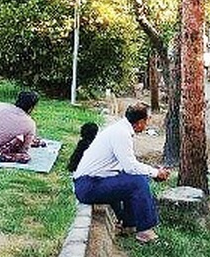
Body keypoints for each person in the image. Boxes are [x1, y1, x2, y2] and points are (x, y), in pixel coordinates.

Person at [72, 102, 171, 243]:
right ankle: (144, 231)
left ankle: (129, 224)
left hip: (91, 182)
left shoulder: (120, 129)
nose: (147, 124)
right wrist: (155, 173)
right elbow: (130, 166)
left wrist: (152, 171)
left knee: (136, 178)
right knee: (138, 182)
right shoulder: (121, 133)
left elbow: (127, 167)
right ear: (140, 121)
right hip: (88, 185)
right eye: (147, 120)